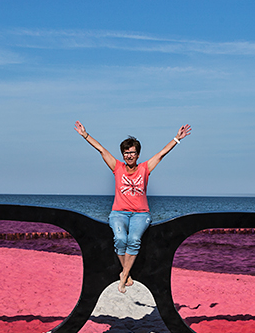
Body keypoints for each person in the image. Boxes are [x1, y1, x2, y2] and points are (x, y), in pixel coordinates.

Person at [75, 120, 192, 293]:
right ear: (123, 155)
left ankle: (123, 276)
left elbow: (161, 154)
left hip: (140, 214)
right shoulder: (117, 167)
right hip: (118, 213)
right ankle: (127, 274)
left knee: (134, 240)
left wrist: (177, 138)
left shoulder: (145, 168)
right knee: (120, 240)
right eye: (126, 153)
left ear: (138, 155)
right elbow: (101, 149)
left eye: (132, 153)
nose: (129, 156)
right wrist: (85, 135)